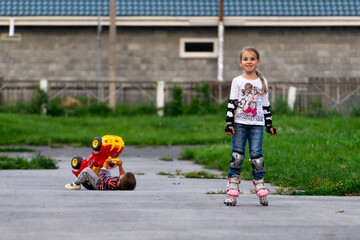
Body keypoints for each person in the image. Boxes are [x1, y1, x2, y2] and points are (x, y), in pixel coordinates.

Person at [224, 46, 277, 206]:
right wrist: (229, 123)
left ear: (258, 62)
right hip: (239, 124)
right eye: (245, 59)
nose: (249, 62)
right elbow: (232, 103)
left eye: (252, 59)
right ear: (240, 62)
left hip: (256, 125)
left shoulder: (262, 81)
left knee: (257, 157)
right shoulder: (237, 81)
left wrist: (269, 124)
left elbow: (265, 104)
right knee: (237, 157)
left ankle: (260, 188)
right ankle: (232, 191)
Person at [65, 157, 136, 191]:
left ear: (119, 182)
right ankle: (101, 167)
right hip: (105, 180)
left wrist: (106, 164)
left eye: (123, 176)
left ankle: (76, 184)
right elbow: (121, 176)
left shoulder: (111, 183)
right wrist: (120, 166)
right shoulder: (120, 184)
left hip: (98, 183)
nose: (122, 174)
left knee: (86, 171)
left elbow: (102, 177)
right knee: (105, 169)